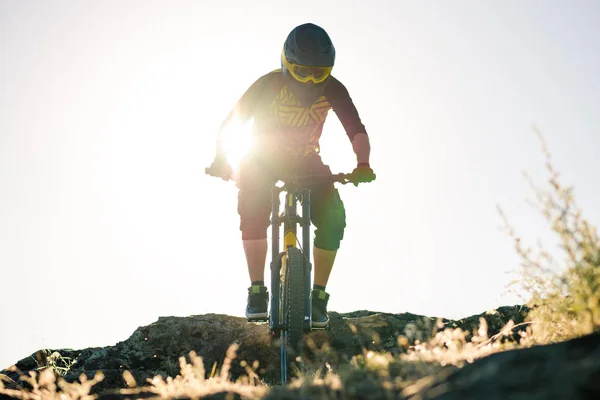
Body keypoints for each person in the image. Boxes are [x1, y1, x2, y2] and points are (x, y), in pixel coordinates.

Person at [207, 22, 375, 328]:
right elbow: (232, 122)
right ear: (286, 65)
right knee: (252, 208)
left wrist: (362, 163)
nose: (311, 81)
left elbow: (355, 129)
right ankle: (258, 290)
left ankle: (318, 296)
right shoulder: (267, 85)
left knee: (334, 216)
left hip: (305, 160)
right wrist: (222, 159)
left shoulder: (334, 89)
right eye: (302, 73)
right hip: (262, 159)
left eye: (319, 74)